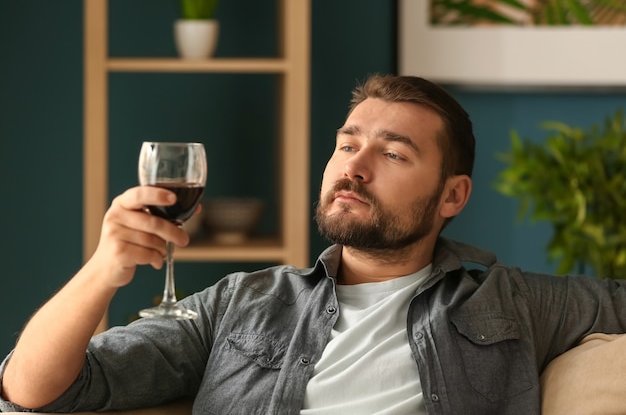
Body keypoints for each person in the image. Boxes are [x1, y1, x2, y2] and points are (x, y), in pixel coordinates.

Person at [1, 74, 626, 415]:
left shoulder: (514, 304)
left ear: (452, 196)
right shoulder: (242, 303)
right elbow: (38, 391)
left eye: (394, 153)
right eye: (348, 144)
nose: (354, 167)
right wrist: (102, 272)